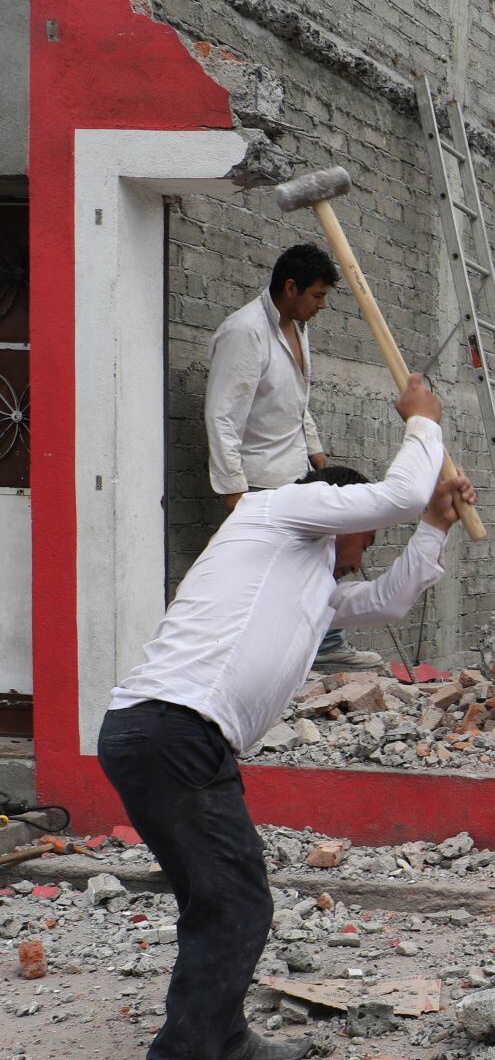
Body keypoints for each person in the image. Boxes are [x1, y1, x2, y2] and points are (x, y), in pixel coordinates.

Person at [102, 375, 472, 1060]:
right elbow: (394, 492)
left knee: (223, 900)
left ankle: (222, 1038)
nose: (365, 557)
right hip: (171, 728)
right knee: (236, 902)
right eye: (368, 539)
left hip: (183, 740)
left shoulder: (312, 588)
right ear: (344, 516)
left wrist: (436, 524)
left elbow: (390, 602)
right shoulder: (278, 512)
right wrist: (423, 424)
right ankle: (192, 1050)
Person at [204, 242, 380, 672]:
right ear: (290, 287)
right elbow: (221, 415)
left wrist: (316, 451)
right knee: (274, 574)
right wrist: (233, 491)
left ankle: (323, 642)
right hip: (260, 482)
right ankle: (314, 647)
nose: (322, 305)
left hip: (296, 472)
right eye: (317, 295)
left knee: (316, 560)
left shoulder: (298, 328)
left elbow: (299, 401)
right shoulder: (245, 332)